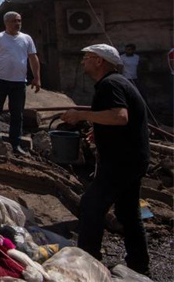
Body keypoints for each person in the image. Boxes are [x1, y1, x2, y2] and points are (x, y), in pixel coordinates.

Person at [61, 44, 149, 275]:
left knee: (91, 205)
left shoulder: (110, 84)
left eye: (87, 57)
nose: (83, 62)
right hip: (133, 159)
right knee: (128, 213)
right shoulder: (118, 82)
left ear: (99, 61)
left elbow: (120, 116)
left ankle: (88, 263)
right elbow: (119, 118)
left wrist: (80, 115)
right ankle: (140, 267)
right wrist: (99, 129)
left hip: (121, 161)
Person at [0, 11, 41, 156]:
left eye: (19, 21)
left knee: (17, 114)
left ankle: (15, 144)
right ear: (6, 23)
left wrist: (37, 77)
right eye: (14, 21)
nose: (17, 24)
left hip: (19, 82)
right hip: (1, 81)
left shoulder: (26, 38)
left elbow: (33, 58)